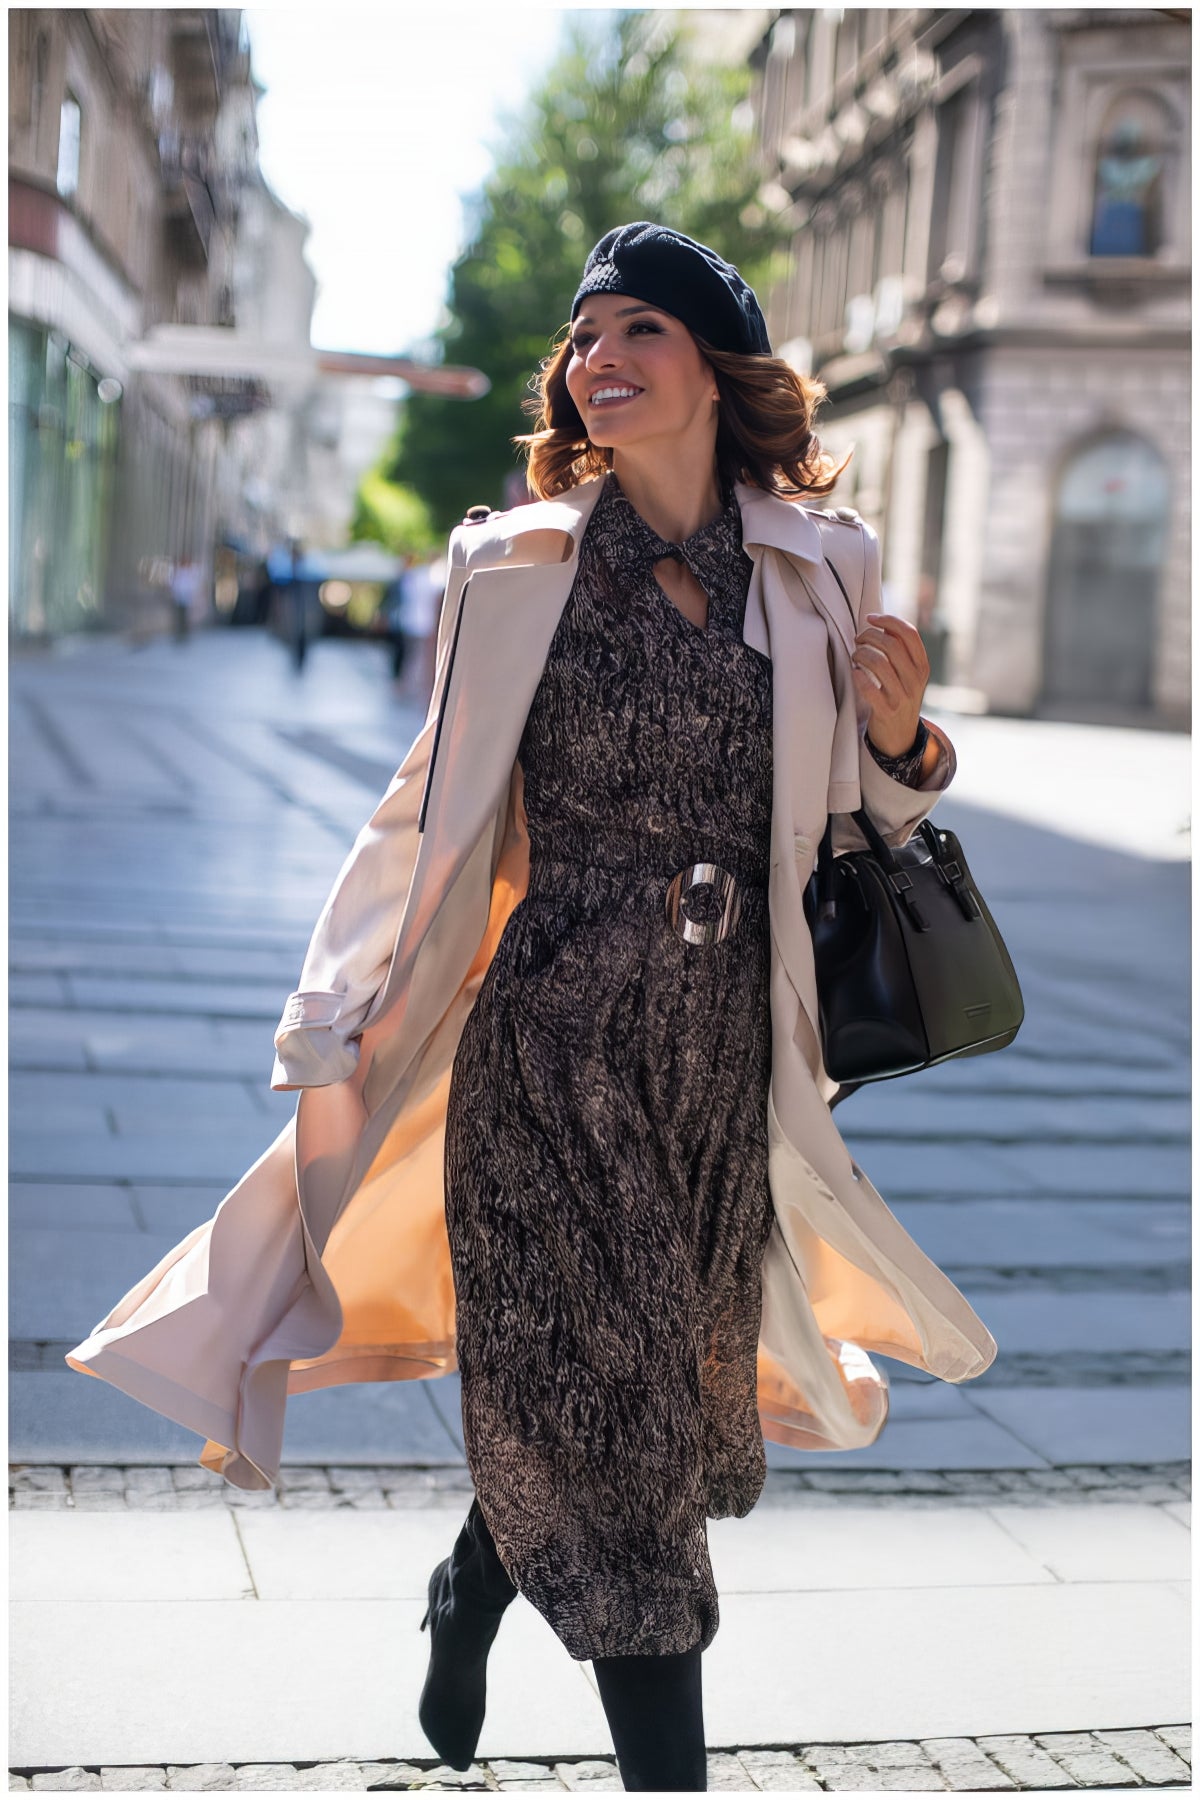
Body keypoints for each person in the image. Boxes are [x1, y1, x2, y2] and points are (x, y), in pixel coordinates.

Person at [67, 223, 997, 1789]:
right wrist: (331, 1007)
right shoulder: (514, 562)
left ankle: (470, 1584)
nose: (599, 360)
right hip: (544, 1041)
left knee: (655, 1412)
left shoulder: (820, 568)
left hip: (715, 1064)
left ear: (717, 367)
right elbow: (420, 811)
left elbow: (851, 830)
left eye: (640, 329)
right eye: (583, 338)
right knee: (625, 1456)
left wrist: (906, 746)